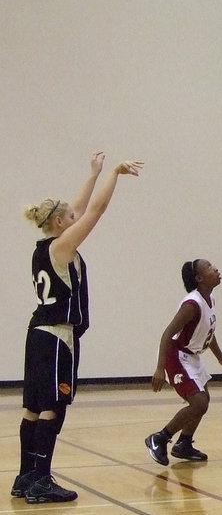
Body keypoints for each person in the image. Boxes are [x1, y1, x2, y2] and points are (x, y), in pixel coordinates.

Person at [13, 152, 143, 504]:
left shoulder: (45, 247)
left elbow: (82, 206)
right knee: (54, 406)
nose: (78, 215)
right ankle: (41, 479)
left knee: (33, 407)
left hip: (36, 334)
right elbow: (96, 211)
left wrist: (93, 172)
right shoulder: (63, 247)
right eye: (71, 216)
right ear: (60, 223)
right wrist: (114, 174)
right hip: (57, 336)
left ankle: (25, 477)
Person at [145, 259, 222, 466]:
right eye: (210, 267)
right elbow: (167, 333)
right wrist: (160, 368)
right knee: (199, 403)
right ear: (199, 278)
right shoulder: (191, 304)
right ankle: (159, 438)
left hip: (192, 356)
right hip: (176, 356)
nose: (216, 268)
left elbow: (208, 333)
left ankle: (184, 444)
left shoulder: (210, 299)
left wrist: (221, 358)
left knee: (203, 401)